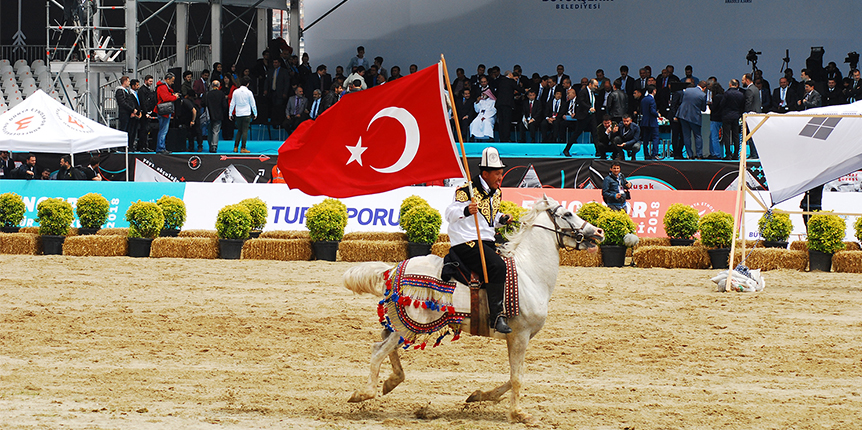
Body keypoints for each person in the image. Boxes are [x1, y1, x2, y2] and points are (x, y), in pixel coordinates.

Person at [444, 147, 515, 334]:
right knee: (498, 267)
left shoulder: (497, 192)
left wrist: (501, 219)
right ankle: (496, 317)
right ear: (485, 173)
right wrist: (466, 210)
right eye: (497, 174)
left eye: (501, 173)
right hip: (466, 241)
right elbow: (449, 214)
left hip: (486, 240)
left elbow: (488, 219)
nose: (500, 177)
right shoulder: (465, 191)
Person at [675, 80, 707, 159]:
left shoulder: (687, 90)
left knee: (686, 136)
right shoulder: (703, 95)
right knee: (698, 136)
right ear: (704, 88)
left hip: (683, 115)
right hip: (694, 117)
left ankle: (690, 154)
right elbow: (703, 109)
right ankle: (699, 154)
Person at [228, 77, 258, 153]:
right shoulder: (249, 92)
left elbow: (232, 103)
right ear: (248, 84)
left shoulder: (235, 92)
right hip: (246, 113)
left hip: (238, 114)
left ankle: (235, 147)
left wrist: (230, 113)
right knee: (245, 131)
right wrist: (255, 113)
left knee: (239, 130)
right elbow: (253, 104)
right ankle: (243, 148)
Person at [719, 79, 745, 160]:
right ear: (737, 85)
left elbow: (722, 104)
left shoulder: (727, 94)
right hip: (736, 116)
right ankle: (736, 154)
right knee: (736, 135)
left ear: (730, 85)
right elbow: (742, 106)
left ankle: (728, 154)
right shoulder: (741, 94)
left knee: (727, 136)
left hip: (727, 116)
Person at [155, 72, 180, 154]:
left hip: (164, 111)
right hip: (164, 111)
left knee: (163, 130)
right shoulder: (163, 87)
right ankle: (160, 148)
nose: (172, 83)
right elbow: (165, 98)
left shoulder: (164, 87)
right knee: (163, 130)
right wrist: (174, 97)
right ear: (168, 79)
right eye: (172, 81)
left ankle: (161, 147)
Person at [494, 70, 522, 142]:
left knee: (501, 121)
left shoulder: (500, 81)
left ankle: (501, 138)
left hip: (499, 104)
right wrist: (525, 90)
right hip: (507, 104)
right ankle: (506, 138)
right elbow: (518, 89)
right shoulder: (510, 81)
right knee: (507, 121)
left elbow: (496, 92)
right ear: (510, 74)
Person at [638, 86, 660, 160]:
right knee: (655, 138)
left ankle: (646, 154)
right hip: (652, 121)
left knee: (645, 139)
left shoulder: (643, 99)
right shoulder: (652, 100)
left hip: (644, 121)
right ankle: (654, 154)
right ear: (654, 91)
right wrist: (658, 114)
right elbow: (652, 111)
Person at [205, 80, 227, 153]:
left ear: (212, 86)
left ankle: (210, 146)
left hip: (209, 115)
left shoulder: (208, 94)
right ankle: (214, 146)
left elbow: (203, 103)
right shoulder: (221, 94)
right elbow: (224, 105)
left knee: (209, 131)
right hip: (218, 115)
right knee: (216, 131)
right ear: (218, 86)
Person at [707, 82, 725, 160]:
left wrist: (709, 105)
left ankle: (716, 154)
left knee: (714, 137)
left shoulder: (716, 98)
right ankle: (715, 153)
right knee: (715, 136)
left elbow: (713, 108)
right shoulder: (723, 96)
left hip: (715, 118)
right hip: (721, 118)